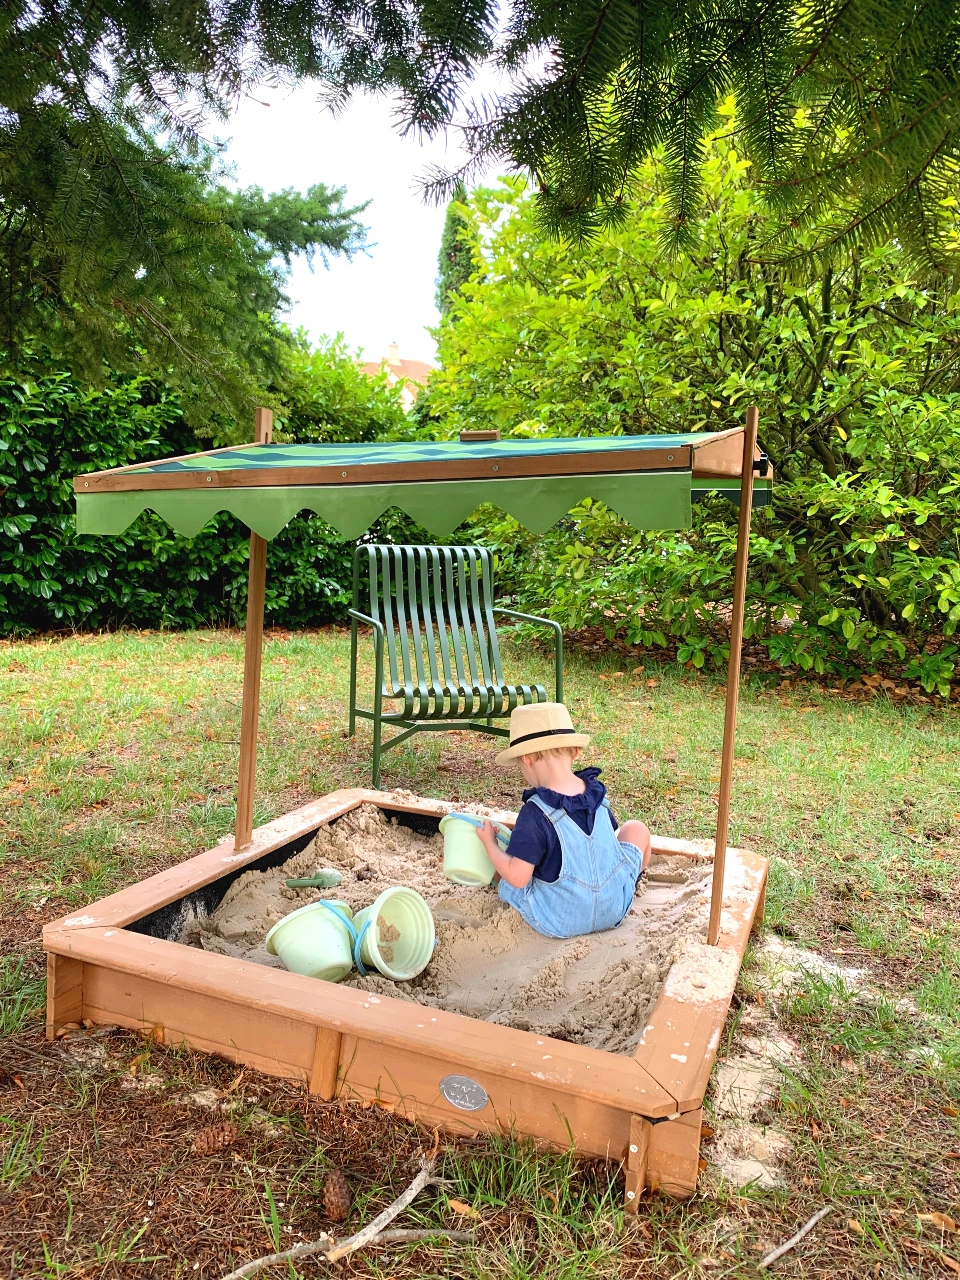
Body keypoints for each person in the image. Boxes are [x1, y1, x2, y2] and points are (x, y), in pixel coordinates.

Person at [476, 702, 652, 939]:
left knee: (503, 870)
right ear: (575, 751)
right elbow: (605, 847)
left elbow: (518, 878)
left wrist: (489, 845)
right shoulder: (597, 795)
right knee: (636, 829)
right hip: (613, 910)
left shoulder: (534, 813)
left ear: (526, 759)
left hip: (559, 919)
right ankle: (625, 887)